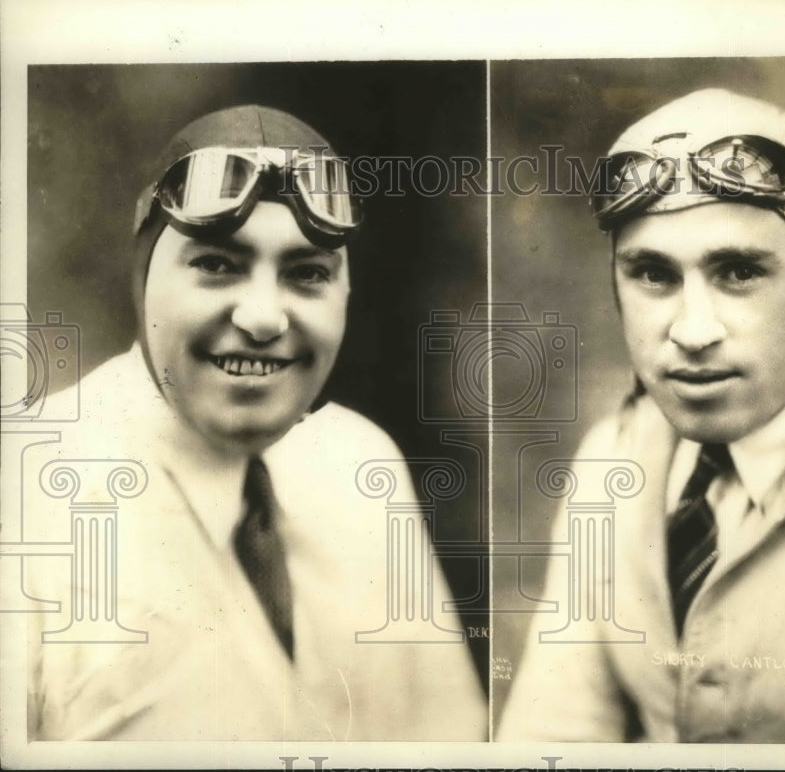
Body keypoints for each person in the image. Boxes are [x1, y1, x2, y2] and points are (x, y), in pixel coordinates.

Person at [498, 89, 785, 743]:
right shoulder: (612, 460)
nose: (693, 330)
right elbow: (553, 738)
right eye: (653, 274)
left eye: (739, 271)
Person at [26, 105, 486, 740]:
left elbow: (450, 741)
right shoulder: (27, 486)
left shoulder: (359, 466)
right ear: (143, 281)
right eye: (218, 264)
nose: (265, 317)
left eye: (307, 274)